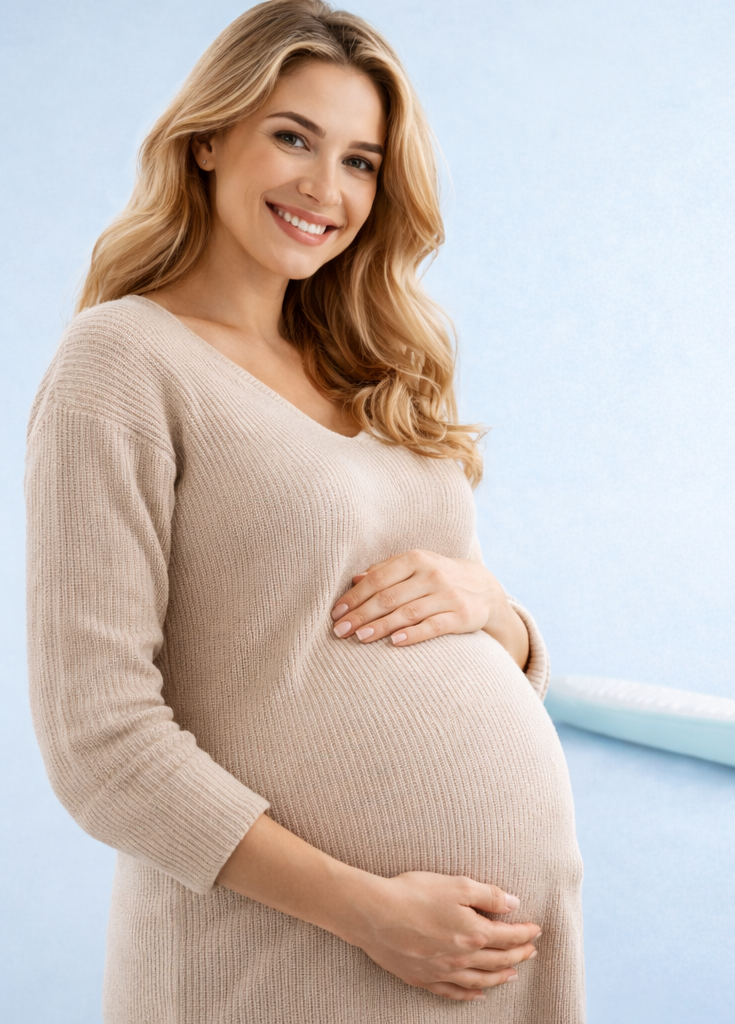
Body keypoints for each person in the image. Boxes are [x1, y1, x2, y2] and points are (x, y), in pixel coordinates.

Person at [24, 2, 584, 1020]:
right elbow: (98, 743)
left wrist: (494, 611)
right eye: (293, 137)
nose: (326, 190)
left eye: (362, 162)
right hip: (284, 961)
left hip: (480, 963)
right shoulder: (123, 362)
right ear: (207, 140)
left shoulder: (378, 371)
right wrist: (368, 910)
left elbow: (449, 641)